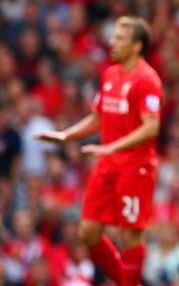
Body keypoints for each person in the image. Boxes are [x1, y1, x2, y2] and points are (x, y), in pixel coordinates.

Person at [36, 16, 163, 286]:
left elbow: (151, 127)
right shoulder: (110, 74)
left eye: (119, 38)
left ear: (137, 45)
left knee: (130, 236)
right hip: (108, 164)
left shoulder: (148, 79)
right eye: (113, 36)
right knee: (88, 232)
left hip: (135, 167)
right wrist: (66, 135)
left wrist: (114, 145)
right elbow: (97, 116)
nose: (112, 42)